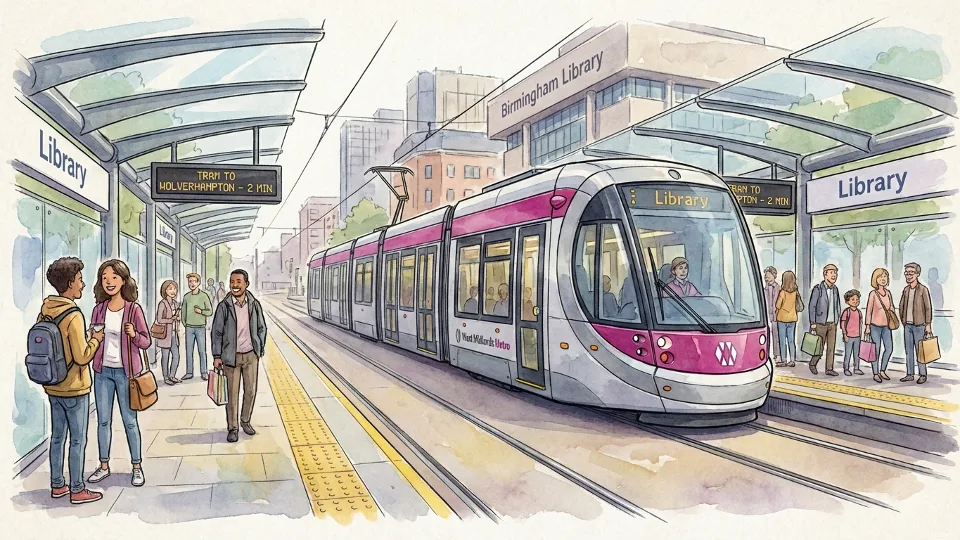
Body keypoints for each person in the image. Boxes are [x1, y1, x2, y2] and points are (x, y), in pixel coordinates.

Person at [39, 257, 104, 504]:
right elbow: (82, 356)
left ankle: (57, 485)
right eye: (79, 280)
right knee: (77, 439)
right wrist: (95, 338)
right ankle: (77, 488)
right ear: (69, 283)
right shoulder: (74, 315)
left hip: (53, 384)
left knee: (57, 437)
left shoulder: (46, 308)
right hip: (75, 388)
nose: (83, 285)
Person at [88, 259, 151, 487]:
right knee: (103, 421)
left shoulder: (133, 309)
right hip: (102, 372)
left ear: (123, 280)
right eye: (104, 278)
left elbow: (146, 342)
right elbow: (92, 339)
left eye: (114, 277)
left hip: (127, 374)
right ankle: (104, 466)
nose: (109, 282)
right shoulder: (98, 310)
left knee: (130, 421)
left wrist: (134, 334)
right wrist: (92, 337)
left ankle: (137, 466)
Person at [212, 269, 267, 443]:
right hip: (231, 356)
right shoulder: (224, 306)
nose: (234, 285)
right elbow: (216, 332)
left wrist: (259, 347)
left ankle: (245, 421)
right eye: (232, 282)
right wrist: (217, 355)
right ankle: (233, 427)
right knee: (232, 394)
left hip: (251, 355)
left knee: (250, 391)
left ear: (246, 284)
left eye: (238, 282)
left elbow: (262, 328)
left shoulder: (254, 304)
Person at [900, 262, 934, 384]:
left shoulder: (923, 290)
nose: (908, 276)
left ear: (917, 274)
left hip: (919, 325)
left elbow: (928, 308)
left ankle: (922, 374)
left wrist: (928, 324)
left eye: (911, 273)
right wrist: (903, 320)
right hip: (907, 325)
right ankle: (909, 374)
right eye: (907, 273)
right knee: (908, 350)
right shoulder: (906, 290)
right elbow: (901, 306)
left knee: (921, 351)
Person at [808, 264, 842, 376]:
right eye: (831, 272)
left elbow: (837, 305)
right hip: (820, 323)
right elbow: (812, 306)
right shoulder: (818, 289)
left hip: (832, 323)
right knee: (819, 347)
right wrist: (813, 323)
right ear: (825, 274)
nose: (834, 275)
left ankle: (829, 368)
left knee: (831, 348)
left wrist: (837, 319)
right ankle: (813, 363)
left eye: (835, 273)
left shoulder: (835, 289)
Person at [864, 268, 895, 384]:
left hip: (887, 326)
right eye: (880, 277)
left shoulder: (888, 293)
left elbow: (891, 307)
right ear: (875, 279)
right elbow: (869, 310)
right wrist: (867, 326)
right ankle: (875, 373)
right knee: (875, 350)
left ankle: (883, 370)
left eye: (885, 277)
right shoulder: (873, 294)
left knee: (889, 348)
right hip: (874, 326)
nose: (883, 279)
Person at [182, 273, 213, 381]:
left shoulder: (204, 296)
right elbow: (183, 312)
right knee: (188, 351)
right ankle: (189, 372)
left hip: (200, 327)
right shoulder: (186, 297)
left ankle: (204, 372)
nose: (192, 283)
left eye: (194, 281)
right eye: (190, 281)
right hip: (189, 327)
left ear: (198, 283)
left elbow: (210, 311)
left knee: (201, 350)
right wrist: (185, 323)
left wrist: (200, 311)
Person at [155, 280, 181, 385]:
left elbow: (178, 318)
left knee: (176, 356)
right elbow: (159, 319)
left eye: (174, 288)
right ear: (165, 290)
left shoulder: (176, 303)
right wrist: (171, 319)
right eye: (170, 288)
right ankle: (166, 377)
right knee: (165, 357)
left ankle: (172, 375)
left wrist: (178, 319)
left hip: (174, 335)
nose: (173, 291)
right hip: (165, 335)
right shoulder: (162, 303)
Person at [775, 271, 800, 368]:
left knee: (782, 340)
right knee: (791, 340)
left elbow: (777, 305)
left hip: (782, 319)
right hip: (792, 318)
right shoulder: (795, 293)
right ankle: (792, 360)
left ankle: (784, 360)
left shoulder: (782, 293)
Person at [840, 289, 865, 377]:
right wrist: (844, 334)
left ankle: (856, 368)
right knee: (848, 353)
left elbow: (861, 323)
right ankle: (846, 368)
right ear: (847, 301)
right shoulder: (846, 312)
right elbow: (842, 324)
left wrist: (861, 334)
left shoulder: (859, 312)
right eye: (853, 299)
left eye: (857, 300)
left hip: (857, 336)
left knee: (856, 354)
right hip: (849, 336)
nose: (855, 301)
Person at [763, 267, 781, 365]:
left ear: (773, 275)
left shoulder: (778, 287)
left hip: (775, 315)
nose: (766, 277)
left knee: (776, 335)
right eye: (766, 275)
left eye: (768, 275)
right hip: (766, 315)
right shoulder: (764, 288)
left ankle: (777, 354)